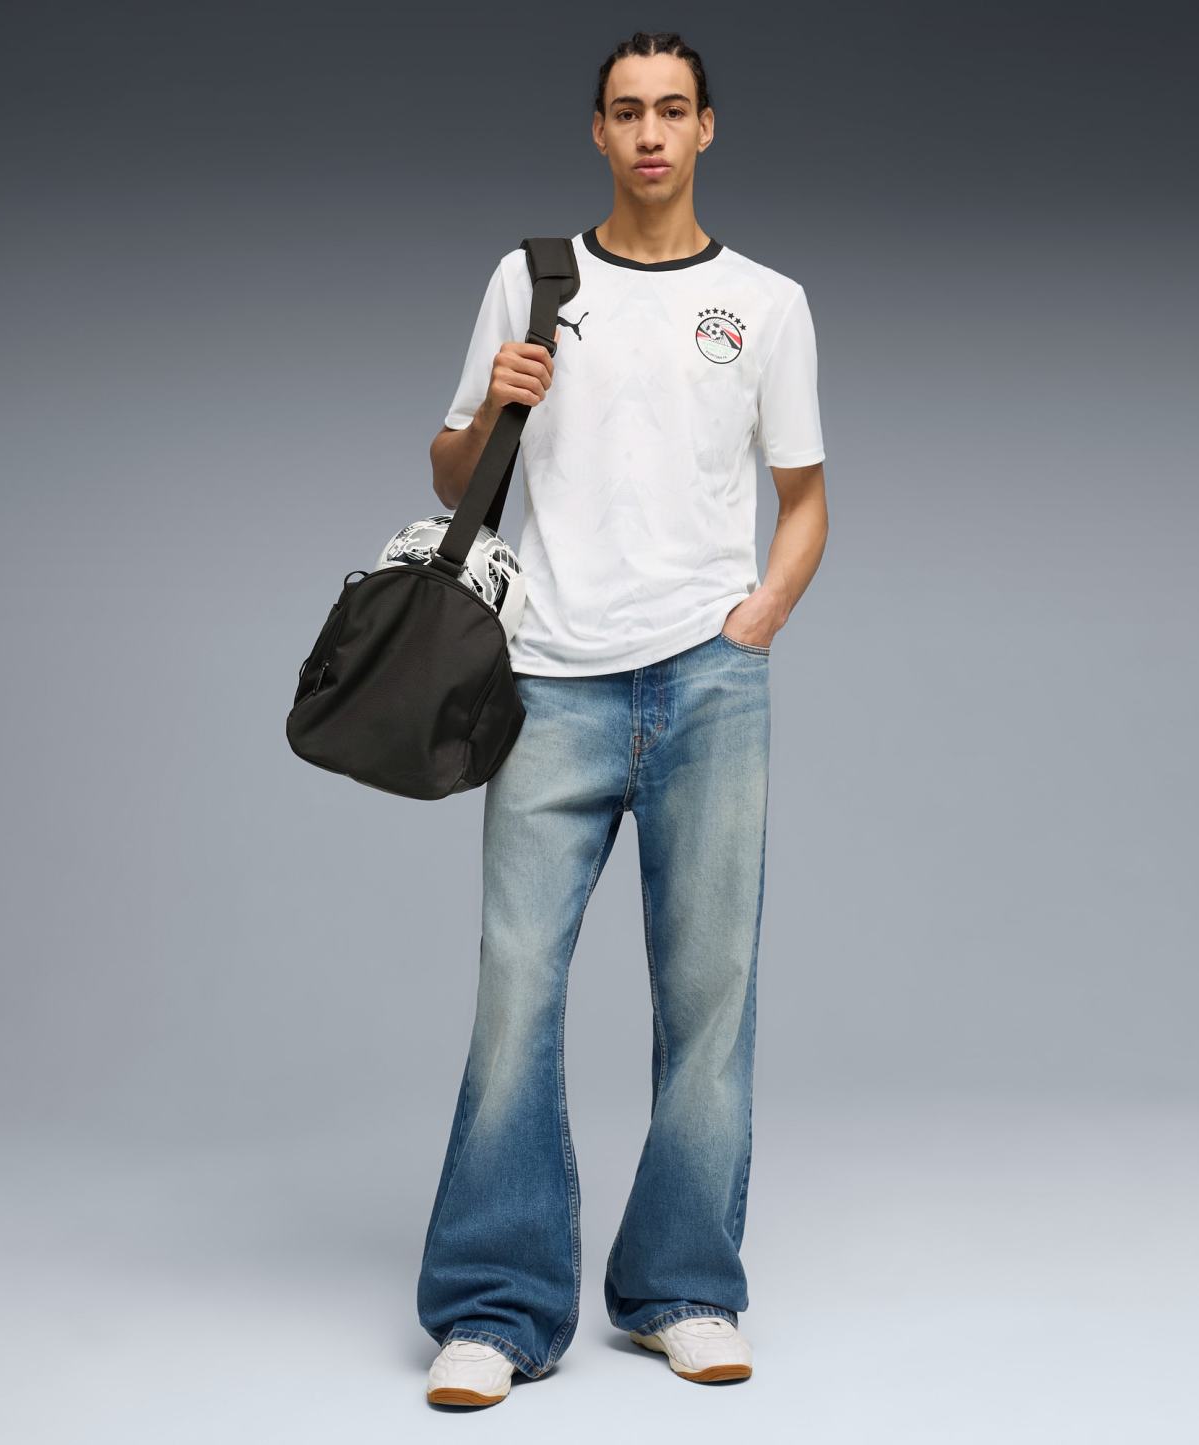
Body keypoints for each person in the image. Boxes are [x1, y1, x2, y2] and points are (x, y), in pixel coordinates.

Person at [418, 30, 828, 1408]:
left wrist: (759, 615)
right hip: (547, 679)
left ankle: (683, 1291)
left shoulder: (766, 304)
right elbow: (451, 468)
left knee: (709, 997)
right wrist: (495, 408)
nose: (650, 133)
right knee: (515, 992)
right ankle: (496, 1306)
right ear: (596, 131)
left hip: (709, 684)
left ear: (707, 127)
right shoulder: (533, 279)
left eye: (672, 110)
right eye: (626, 111)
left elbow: (805, 497)